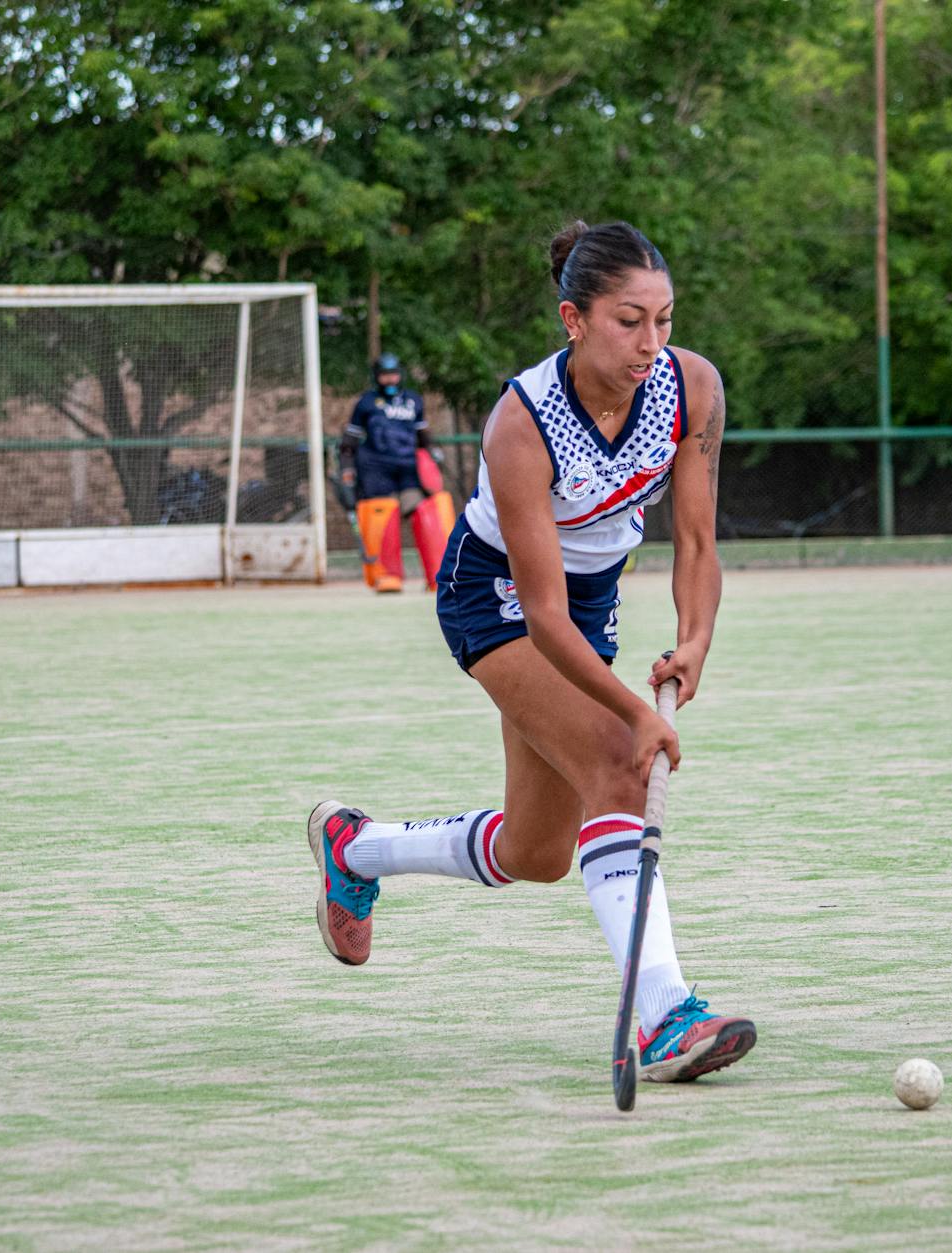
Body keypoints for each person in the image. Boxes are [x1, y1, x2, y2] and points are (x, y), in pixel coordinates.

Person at [307, 221, 755, 1084]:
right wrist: (633, 711)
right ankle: (665, 1013)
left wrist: (694, 641)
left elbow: (696, 544)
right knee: (618, 767)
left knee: (538, 852)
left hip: (588, 603)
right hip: (497, 595)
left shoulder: (691, 389)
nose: (652, 344)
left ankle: (355, 848)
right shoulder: (522, 423)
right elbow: (543, 615)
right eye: (630, 320)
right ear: (573, 319)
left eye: (663, 319)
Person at [339, 353, 450, 592]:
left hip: (410, 469)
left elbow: (424, 437)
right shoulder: (366, 403)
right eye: (384, 375)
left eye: (393, 374)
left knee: (424, 513)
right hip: (376, 468)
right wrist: (347, 469)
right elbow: (350, 441)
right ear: (377, 377)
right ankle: (387, 575)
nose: (390, 380)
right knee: (384, 517)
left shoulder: (413, 401)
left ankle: (437, 576)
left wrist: (434, 456)